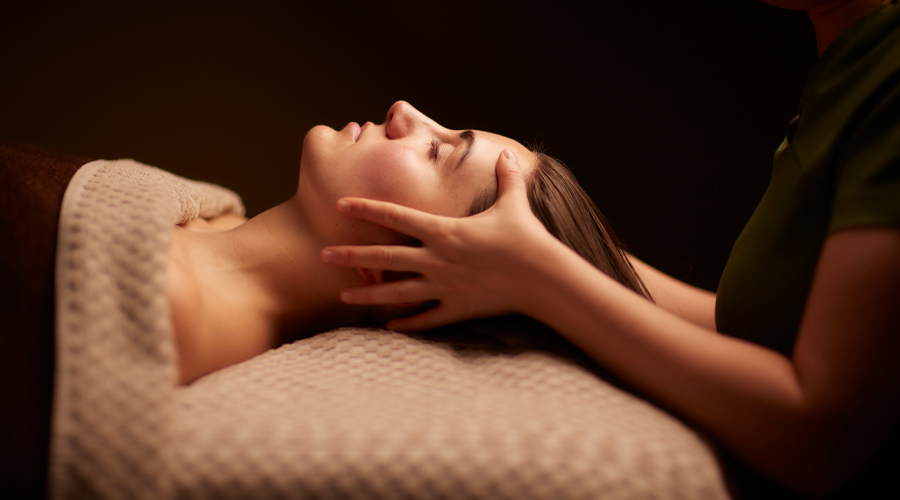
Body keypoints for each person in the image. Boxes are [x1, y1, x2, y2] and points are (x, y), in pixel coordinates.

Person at [319, 1, 900, 498]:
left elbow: (825, 440)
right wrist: (544, 252)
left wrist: (540, 274)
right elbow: (748, 329)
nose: (402, 112)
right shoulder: (848, 69)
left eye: (439, 153)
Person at [166, 100, 649, 385]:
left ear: (409, 274)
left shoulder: (168, 302)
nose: (403, 111)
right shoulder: (214, 216)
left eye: (437, 151)